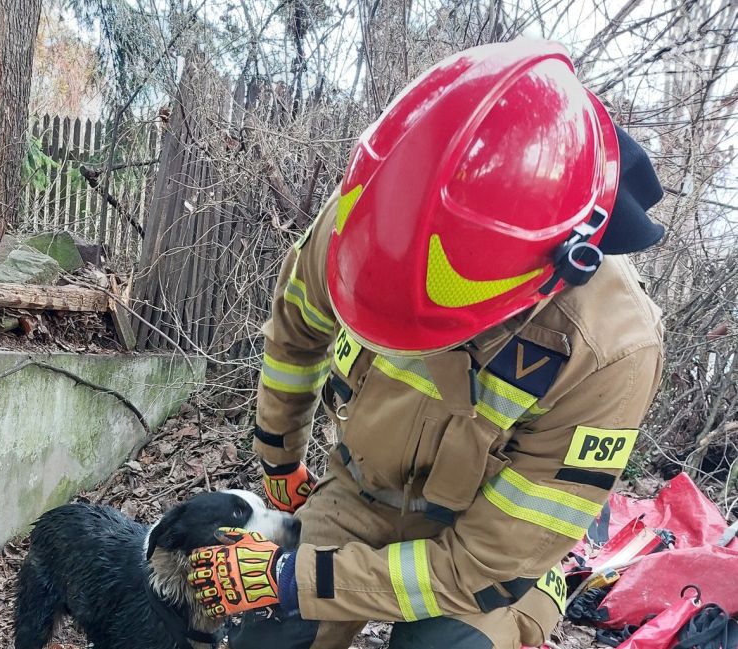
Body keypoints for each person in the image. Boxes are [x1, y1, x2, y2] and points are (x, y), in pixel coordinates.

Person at [187, 38, 666, 649]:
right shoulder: (362, 220)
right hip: (358, 490)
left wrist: (292, 576)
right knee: (268, 637)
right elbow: (295, 335)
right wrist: (280, 458)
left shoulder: (609, 350)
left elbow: (476, 568)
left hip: (494, 557)